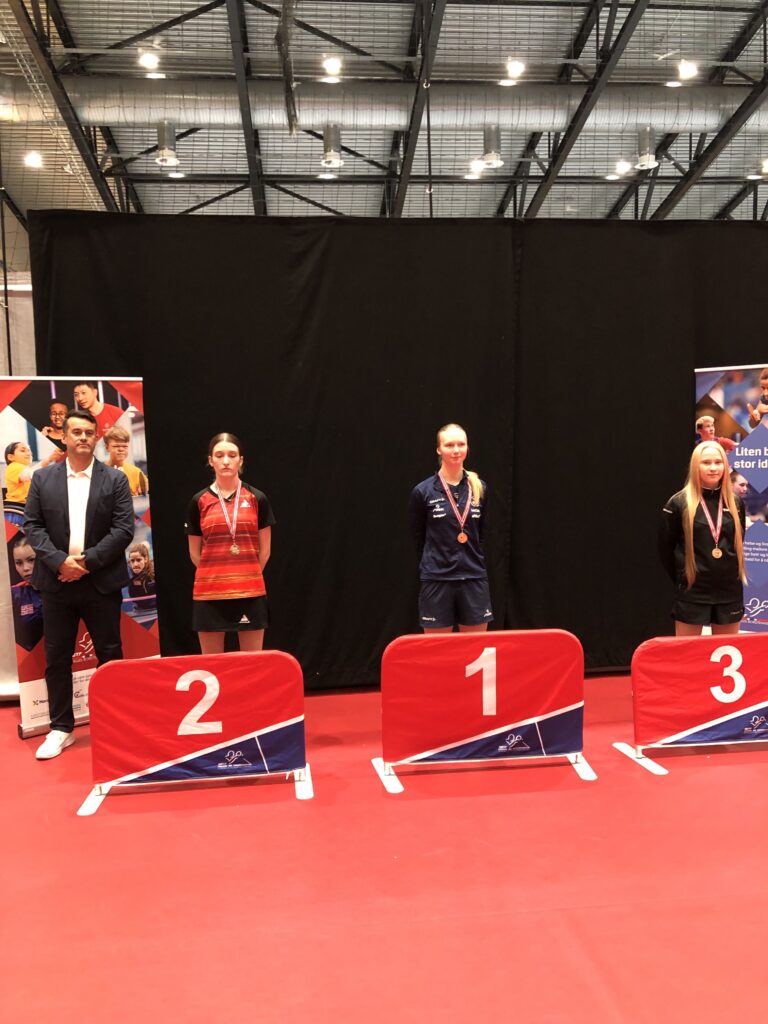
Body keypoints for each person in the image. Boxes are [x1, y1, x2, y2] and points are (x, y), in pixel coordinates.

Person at [23, 408, 134, 760]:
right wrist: (60, 562)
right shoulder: (43, 479)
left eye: (89, 432)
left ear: (97, 437)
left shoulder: (114, 480)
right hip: (56, 582)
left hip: (100, 581)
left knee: (110, 655)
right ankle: (61, 728)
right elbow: (32, 526)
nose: (83, 437)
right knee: (57, 657)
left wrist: (84, 564)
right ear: (64, 436)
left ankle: (115, 724)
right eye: (76, 432)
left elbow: (123, 529)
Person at [185, 432, 275, 654]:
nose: (226, 461)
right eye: (219, 455)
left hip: (250, 593)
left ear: (241, 460)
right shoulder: (198, 501)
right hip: (209, 594)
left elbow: (265, 552)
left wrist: (245, 576)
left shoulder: (257, 498)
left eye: (232, 455)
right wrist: (217, 575)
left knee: (251, 664)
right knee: (213, 666)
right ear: (210, 460)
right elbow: (195, 554)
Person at [408, 422, 493, 633]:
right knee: (438, 648)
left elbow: (481, 534)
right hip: (437, 579)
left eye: (461, 444)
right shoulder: (423, 491)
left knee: (474, 647)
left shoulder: (479, 487)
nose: (456, 450)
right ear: (439, 449)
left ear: (467, 447)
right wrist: (436, 562)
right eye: (449, 445)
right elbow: (418, 537)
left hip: (473, 578)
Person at [659, 441, 746, 637]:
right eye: (706, 462)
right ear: (695, 465)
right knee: (687, 653)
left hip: (729, 591)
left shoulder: (736, 503)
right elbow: (666, 549)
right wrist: (684, 578)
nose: (713, 468)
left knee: (725, 649)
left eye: (718, 462)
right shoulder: (678, 503)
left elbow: (738, 541)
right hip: (693, 591)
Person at [10, 532, 44, 652]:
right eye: (18, 563)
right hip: (29, 659)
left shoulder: (63, 588)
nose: (25, 568)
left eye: (31, 560)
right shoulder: (14, 594)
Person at [104, 425, 148, 496]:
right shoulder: (100, 472)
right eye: (116, 446)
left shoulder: (136, 472)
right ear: (107, 447)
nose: (121, 449)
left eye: (125, 446)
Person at [127, 541, 156, 615]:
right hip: (139, 612)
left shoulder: (154, 573)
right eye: (132, 561)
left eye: (138, 560)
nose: (135, 564)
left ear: (145, 559)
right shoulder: (129, 576)